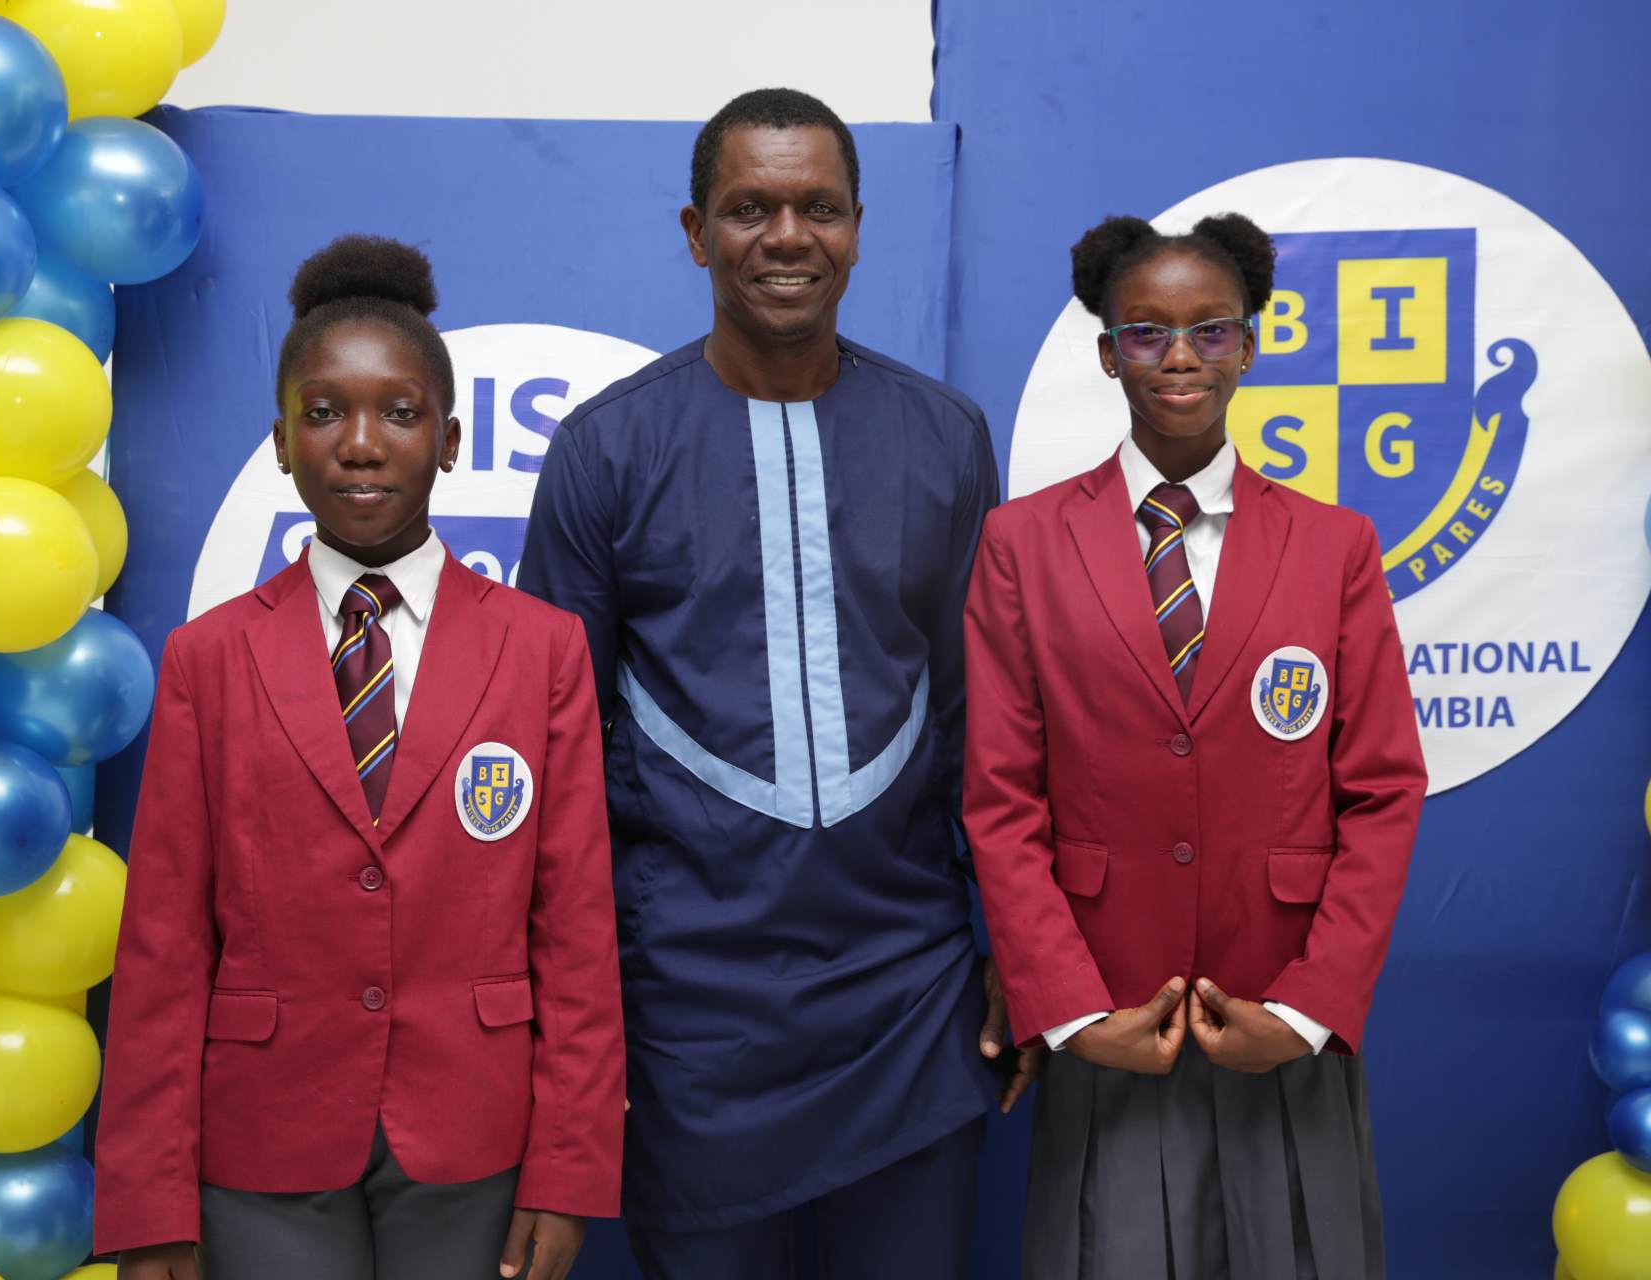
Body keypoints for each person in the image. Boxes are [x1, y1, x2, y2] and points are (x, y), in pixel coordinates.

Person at [518, 88, 1025, 1280]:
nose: (788, 237)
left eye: (819, 208)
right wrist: (572, 1016)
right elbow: (553, 753)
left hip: (909, 993)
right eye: (751, 208)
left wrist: (1017, 944)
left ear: (857, 228)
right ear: (696, 232)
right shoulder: (605, 447)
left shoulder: (945, 435)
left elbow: (984, 720)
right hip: (691, 1010)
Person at [96, 235, 624, 1280]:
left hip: (474, 1137)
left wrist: (570, 1170)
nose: (362, 445)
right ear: (281, 442)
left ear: (451, 439)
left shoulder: (541, 649)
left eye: (400, 412)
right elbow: (164, 943)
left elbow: (576, 930)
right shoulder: (210, 658)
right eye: (325, 412)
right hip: (263, 1139)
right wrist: (146, 1198)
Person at [964, 213, 1427, 1280]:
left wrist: (1309, 1008)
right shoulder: (1024, 543)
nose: (1179, 356)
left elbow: (1383, 790)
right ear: (1107, 353)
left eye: (1211, 330)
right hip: (1111, 1015)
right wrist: (1068, 1009)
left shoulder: (1336, 545)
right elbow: (1000, 794)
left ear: (1250, 346)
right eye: (1146, 332)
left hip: (1277, 1014)